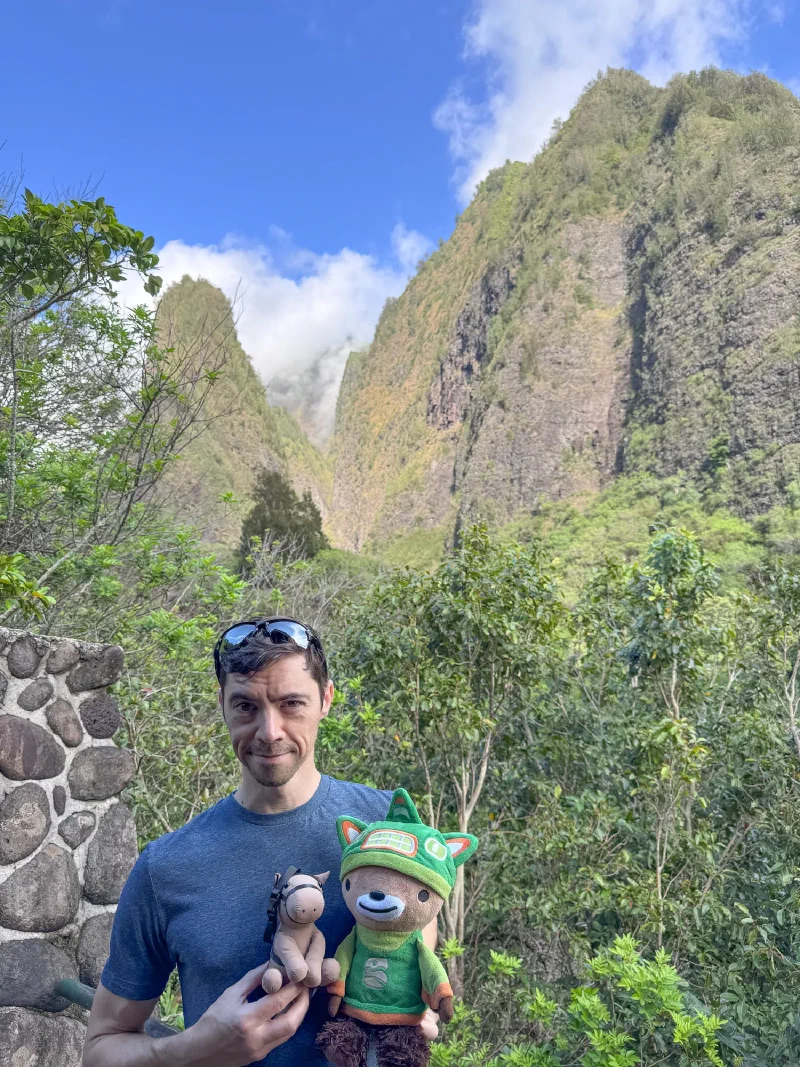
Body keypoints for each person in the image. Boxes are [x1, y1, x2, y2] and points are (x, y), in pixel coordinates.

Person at [83, 617, 437, 1067]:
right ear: (223, 705)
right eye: (246, 706)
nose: (270, 732)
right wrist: (196, 1049)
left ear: (326, 699)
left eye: (292, 703)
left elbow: (418, 950)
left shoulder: (390, 826)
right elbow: (101, 1047)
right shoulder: (165, 867)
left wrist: (418, 1011)